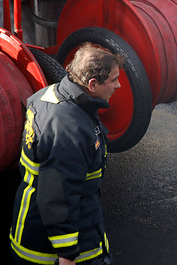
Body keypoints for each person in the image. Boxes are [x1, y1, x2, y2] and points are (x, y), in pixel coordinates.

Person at [9, 44, 122, 265]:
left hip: (34, 225)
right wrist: (67, 254)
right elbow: (57, 195)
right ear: (92, 84)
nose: (117, 85)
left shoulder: (50, 96)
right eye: (113, 80)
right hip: (50, 251)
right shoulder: (68, 129)